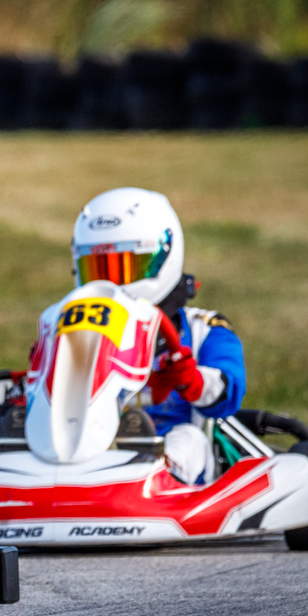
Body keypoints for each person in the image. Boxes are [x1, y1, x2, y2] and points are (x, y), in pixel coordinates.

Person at [65, 187, 246, 484]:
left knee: (187, 438)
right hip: (91, 447)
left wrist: (193, 380)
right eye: (99, 270)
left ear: (164, 258)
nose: (112, 285)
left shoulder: (203, 329)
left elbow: (230, 390)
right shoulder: (76, 333)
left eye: (124, 268)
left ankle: (155, 476)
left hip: (181, 459)